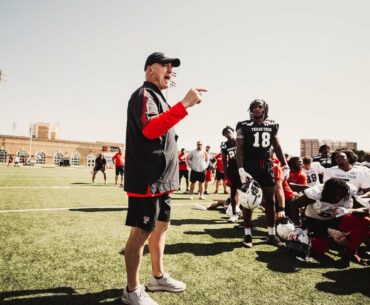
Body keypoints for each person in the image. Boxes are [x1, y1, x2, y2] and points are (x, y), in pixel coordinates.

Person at [122, 51, 206, 305]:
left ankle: (157, 277)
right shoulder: (144, 94)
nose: (170, 70)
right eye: (165, 66)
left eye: (173, 68)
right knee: (141, 233)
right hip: (146, 180)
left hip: (162, 180)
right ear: (150, 69)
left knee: (162, 227)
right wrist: (184, 105)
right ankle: (131, 290)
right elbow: (149, 129)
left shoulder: (158, 96)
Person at [236, 99, 289, 248]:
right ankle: (247, 235)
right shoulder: (243, 125)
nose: (257, 109)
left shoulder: (273, 124)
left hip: (266, 165)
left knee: (270, 201)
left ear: (265, 108)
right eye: (254, 107)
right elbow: (239, 149)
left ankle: (271, 234)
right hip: (250, 165)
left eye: (260, 107)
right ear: (250, 109)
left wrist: (285, 164)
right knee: (247, 200)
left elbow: (277, 146)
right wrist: (241, 169)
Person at [221, 126, 241, 222]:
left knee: (246, 193)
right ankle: (234, 214)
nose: (227, 134)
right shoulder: (224, 145)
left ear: (233, 132)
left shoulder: (240, 140)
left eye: (229, 132)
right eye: (225, 133)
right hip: (232, 170)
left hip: (243, 169)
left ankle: (244, 214)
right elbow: (224, 161)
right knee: (233, 192)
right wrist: (225, 176)